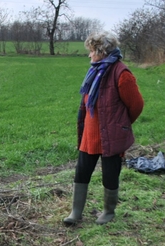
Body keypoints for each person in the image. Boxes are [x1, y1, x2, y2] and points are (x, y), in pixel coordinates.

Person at [64, 31, 144, 226]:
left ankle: (108, 211)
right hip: (90, 135)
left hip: (112, 136)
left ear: (101, 51)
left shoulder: (121, 74)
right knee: (81, 173)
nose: (89, 55)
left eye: (92, 51)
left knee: (110, 175)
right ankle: (76, 212)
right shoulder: (95, 71)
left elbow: (136, 105)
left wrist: (121, 127)